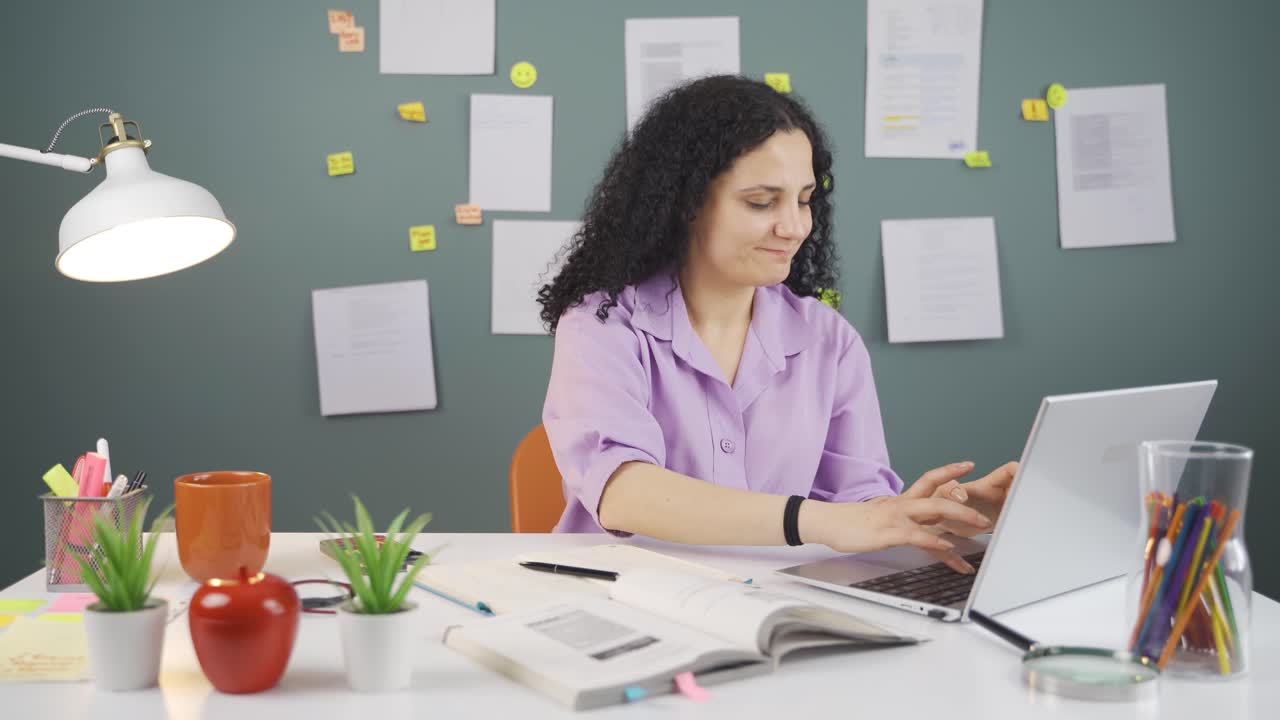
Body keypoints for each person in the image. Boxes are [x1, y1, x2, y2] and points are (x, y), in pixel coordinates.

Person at [537, 76, 1016, 574]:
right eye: (761, 203)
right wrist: (812, 520)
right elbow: (623, 492)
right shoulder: (602, 325)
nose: (793, 227)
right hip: (619, 598)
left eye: (804, 199)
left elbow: (857, 514)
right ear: (686, 203)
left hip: (769, 602)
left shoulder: (828, 340)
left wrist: (943, 517)